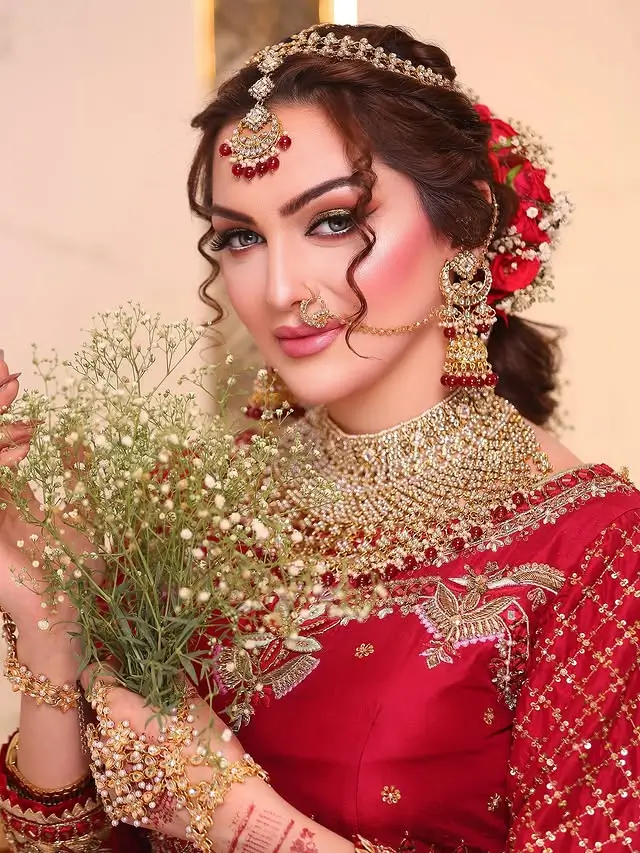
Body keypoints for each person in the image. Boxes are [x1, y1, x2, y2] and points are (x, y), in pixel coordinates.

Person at [0, 22, 638, 853]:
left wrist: (239, 819)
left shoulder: (596, 552)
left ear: (466, 227)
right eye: (240, 236)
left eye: (333, 221)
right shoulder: (191, 509)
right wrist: (51, 620)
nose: (278, 288)